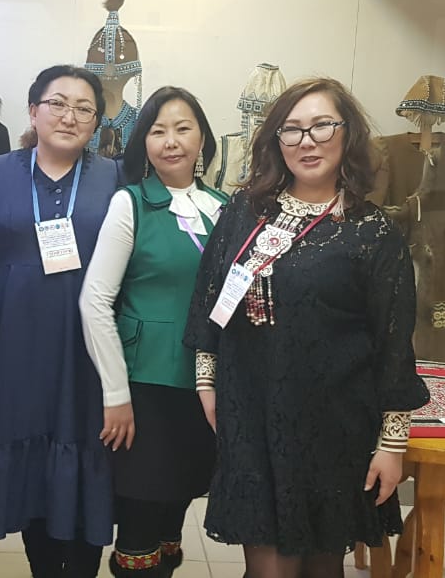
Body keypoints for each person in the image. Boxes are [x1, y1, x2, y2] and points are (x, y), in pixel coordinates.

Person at [183, 77, 430, 578]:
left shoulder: (372, 233)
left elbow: (393, 347)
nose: (306, 141)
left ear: (348, 134)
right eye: (292, 129)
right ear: (276, 140)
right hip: (252, 415)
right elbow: (210, 297)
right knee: (268, 570)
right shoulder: (245, 211)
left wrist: (392, 444)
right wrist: (207, 380)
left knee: (321, 567)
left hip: (334, 424)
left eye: (322, 126)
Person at [0, 65, 121, 578]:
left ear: (96, 122)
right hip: (18, 344)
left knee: (88, 448)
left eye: (84, 109)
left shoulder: (114, 177)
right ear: (33, 111)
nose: (69, 116)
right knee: (31, 461)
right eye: (57, 103)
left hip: (90, 347)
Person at [79, 86, 226, 577]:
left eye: (183, 128)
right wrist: (115, 394)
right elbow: (94, 301)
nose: (171, 141)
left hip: (205, 385)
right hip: (144, 386)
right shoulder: (132, 203)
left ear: (202, 138)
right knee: (140, 519)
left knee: (175, 511)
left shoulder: (224, 208)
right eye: (158, 131)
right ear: (143, 141)